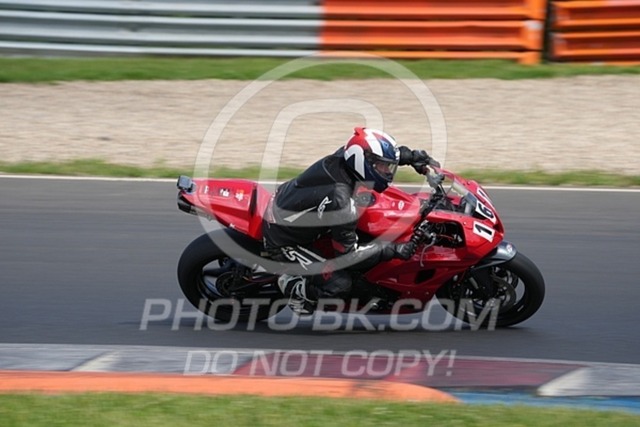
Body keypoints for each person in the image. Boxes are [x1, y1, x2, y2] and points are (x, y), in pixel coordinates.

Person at [262, 127, 439, 315]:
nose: (387, 171)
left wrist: (412, 157)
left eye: (388, 166)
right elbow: (348, 256)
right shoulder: (342, 202)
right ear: (363, 162)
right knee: (340, 285)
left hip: (293, 204)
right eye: (382, 166)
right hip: (284, 239)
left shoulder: (348, 157)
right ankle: (294, 287)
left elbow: (379, 153)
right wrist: (393, 250)